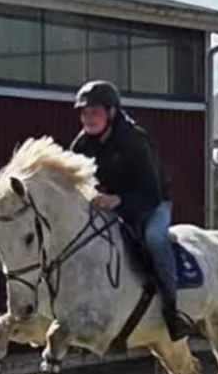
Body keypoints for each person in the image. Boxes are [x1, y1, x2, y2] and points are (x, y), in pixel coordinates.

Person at [71, 79, 184, 339]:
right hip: (111, 206)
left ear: (111, 112)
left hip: (152, 204)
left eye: (95, 112)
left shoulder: (134, 139)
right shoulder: (81, 145)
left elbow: (151, 190)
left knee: (154, 240)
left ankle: (171, 307)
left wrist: (118, 199)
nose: (88, 118)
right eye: (84, 113)